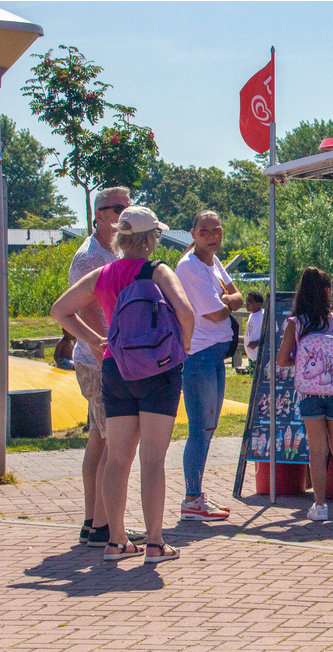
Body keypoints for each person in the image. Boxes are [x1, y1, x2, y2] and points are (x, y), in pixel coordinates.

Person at [51, 206, 194, 562]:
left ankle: (116, 541)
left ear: (121, 237)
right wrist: (184, 346)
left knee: (117, 458)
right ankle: (156, 543)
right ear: (150, 239)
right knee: (153, 459)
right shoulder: (158, 271)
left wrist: (96, 341)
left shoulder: (103, 272)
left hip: (116, 367)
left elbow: (60, 310)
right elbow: (186, 312)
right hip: (158, 369)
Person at [66, 186, 144, 549]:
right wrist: (103, 349)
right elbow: (82, 312)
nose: (123, 213)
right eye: (117, 208)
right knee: (115, 442)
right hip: (100, 362)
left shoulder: (111, 251)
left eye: (127, 207)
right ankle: (104, 525)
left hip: (103, 358)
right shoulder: (89, 258)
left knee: (99, 440)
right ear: (98, 214)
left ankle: (93, 521)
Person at [277, 267, 333, 521]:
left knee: (317, 451)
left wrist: (302, 366)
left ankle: (320, 506)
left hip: (309, 394)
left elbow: (283, 360)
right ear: (327, 292)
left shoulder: (295, 324)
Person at [175, 210, 243, 521]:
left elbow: (238, 298)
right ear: (193, 233)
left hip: (216, 354)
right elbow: (216, 313)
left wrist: (224, 301)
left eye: (218, 229)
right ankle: (191, 498)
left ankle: (196, 496)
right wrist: (226, 301)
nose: (213, 235)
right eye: (206, 231)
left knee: (209, 428)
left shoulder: (213, 261)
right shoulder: (189, 266)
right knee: (199, 430)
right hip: (200, 354)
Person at [243, 291, 264, 367]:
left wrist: (257, 343)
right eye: (246, 301)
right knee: (253, 377)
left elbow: (270, 332)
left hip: (258, 354)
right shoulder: (252, 315)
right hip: (251, 354)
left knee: (258, 377)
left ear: (258, 304)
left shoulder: (262, 315)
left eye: (250, 301)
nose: (247, 303)